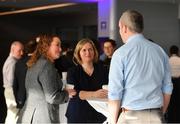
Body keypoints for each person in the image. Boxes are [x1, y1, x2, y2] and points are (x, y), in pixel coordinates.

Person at [108, 10, 173, 124]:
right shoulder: (160, 51)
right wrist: (160, 113)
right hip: (156, 115)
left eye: (119, 28)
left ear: (124, 27)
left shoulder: (120, 54)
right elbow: (167, 87)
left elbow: (115, 93)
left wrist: (113, 122)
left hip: (130, 117)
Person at [17, 34, 76, 123]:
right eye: (57, 45)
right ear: (46, 46)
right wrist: (67, 93)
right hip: (43, 118)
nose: (60, 49)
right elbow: (52, 97)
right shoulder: (46, 65)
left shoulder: (36, 63)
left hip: (30, 116)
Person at [65, 38, 108, 123]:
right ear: (78, 53)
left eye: (90, 49)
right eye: (84, 50)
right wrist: (94, 94)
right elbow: (73, 93)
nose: (87, 53)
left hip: (99, 114)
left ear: (94, 51)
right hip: (78, 115)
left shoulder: (103, 70)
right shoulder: (72, 71)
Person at [2, 41, 24, 124]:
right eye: (19, 50)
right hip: (11, 91)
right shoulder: (13, 63)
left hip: (9, 91)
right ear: (13, 49)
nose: (22, 53)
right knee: (14, 115)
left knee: (12, 115)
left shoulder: (11, 61)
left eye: (22, 50)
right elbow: (13, 82)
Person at [13, 40, 37, 109]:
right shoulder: (39, 63)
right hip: (35, 99)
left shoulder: (18, 63)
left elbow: (15, 84)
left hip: (21, 98)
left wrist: (17, 98)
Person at [167, 45, 180, 123]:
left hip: (170, 83)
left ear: (170, 52)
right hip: (179, 82)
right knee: (178, 102)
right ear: (178, 51)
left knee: (171, 102)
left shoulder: (167, 60)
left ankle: (171, 119)